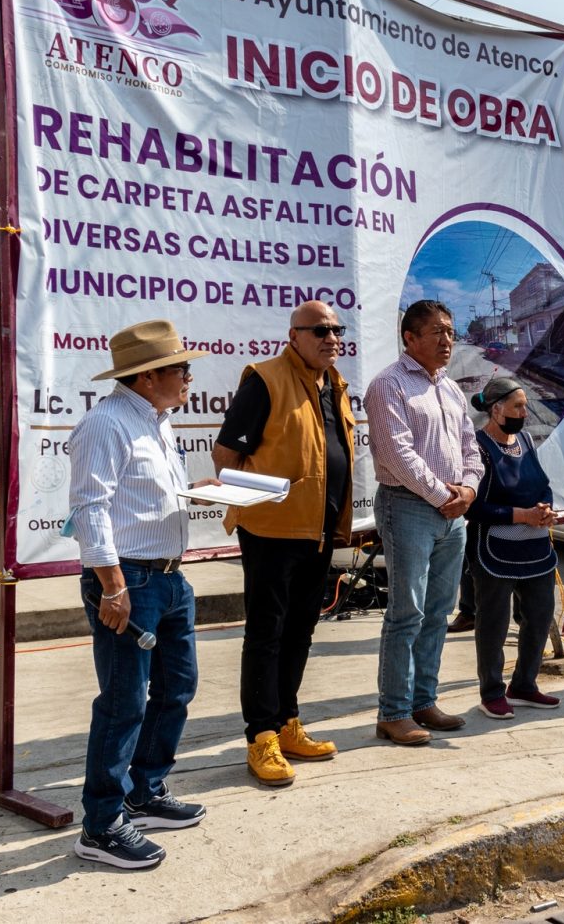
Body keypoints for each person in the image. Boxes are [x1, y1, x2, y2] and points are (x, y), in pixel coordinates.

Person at [67, 320, 214, 870]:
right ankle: (101, 826)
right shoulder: (106, 424)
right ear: (149, 376)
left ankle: (144, 792)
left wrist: (201, 493)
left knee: (178, 686)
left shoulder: (157, 421)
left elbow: (141, 498)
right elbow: (91, 508)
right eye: (181, 368)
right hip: (129, 581)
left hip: (169, 577)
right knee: (124, 701)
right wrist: (112, 587)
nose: (189, 376)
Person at [213, 300, 356, 786]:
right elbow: (227, 451)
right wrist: (255, 502)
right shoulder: (266, 378)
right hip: (272, 532)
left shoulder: (334, 385)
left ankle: (287, 721)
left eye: (336, 329)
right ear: (293, 334)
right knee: (266, 634)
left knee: (301, 631)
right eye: (319, 330)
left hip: (319, 531)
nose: (330, 337)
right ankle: (260, 736)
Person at [365, 300, 485, 745]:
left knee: (438, 612)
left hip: (453, 510)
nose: (447, 340)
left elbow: (472, 448)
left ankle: (423, 702)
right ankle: (393, 712)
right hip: (409, 506)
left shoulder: (451, 389)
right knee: (406, 612)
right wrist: (443, 496)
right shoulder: (388, 385)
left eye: (451, 331)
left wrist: (468, 490)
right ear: (409, 338)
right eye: (436, 332)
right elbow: (398, 454)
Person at [465, 376, 561, 719]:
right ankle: (491, 692)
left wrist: (546, 508)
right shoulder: (477, 447)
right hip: (494, 550)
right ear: (496, 409)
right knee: (493, 622)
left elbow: (542, 484)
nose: (525, 412)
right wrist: (521, 515)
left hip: (535, 549)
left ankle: (523, 684)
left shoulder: (525, 439)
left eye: (525, 405)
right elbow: (473, 508)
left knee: (539, 615)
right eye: (518, 406)